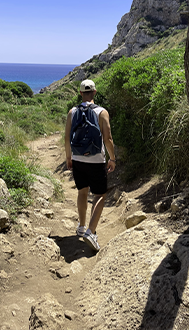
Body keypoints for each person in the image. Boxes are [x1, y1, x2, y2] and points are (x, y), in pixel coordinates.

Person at [65, 79, 116, 252]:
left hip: (78, 158)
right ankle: (90, 232)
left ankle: (81, 226)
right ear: (94, 92)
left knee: (82, 191)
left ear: (80, 93)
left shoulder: (72, 112)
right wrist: (113, 158)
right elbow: (108, 139)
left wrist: (68, 158)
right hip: (96, 160)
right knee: (100, 194)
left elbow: (67, 138)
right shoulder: (102, 112)